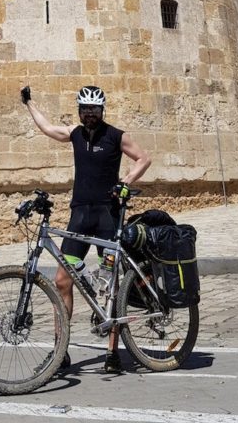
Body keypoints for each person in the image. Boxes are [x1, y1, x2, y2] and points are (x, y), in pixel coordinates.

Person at [21, 83, 152, 374]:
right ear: (79, 110)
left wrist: (126, 183)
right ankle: (60, 352)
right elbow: (48, 129)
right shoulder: (75, 135)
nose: (89, 114)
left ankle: (112, 353)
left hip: (108, 216)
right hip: (79, 216)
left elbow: (144, 158)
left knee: (111, 284)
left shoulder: (116, 136)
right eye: (85, 109)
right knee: (62, 281)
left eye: (94, 109)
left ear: (101, 110)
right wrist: (29, 103)